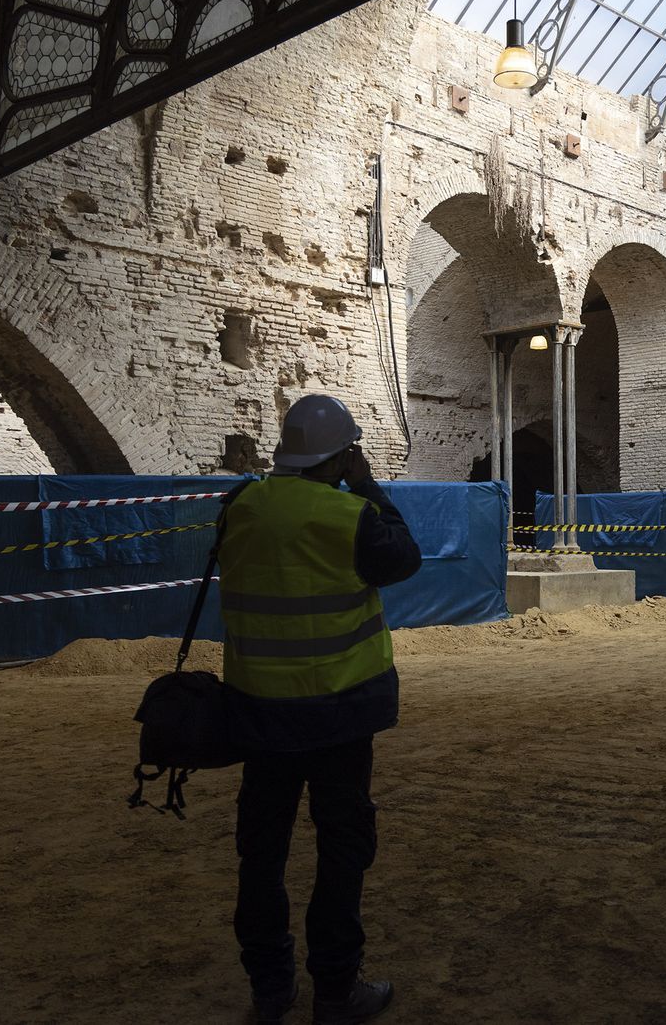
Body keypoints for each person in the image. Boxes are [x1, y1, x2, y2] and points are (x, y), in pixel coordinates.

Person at [218, 393, 421, 1025]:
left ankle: (270, 989)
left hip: (260, 712)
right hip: (337, 713)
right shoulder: (350, 516)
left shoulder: (238, 507)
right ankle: (336, 990)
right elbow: (404, 558)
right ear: (341, 457)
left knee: (262, 854)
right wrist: (369, 488)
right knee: (340, 849)